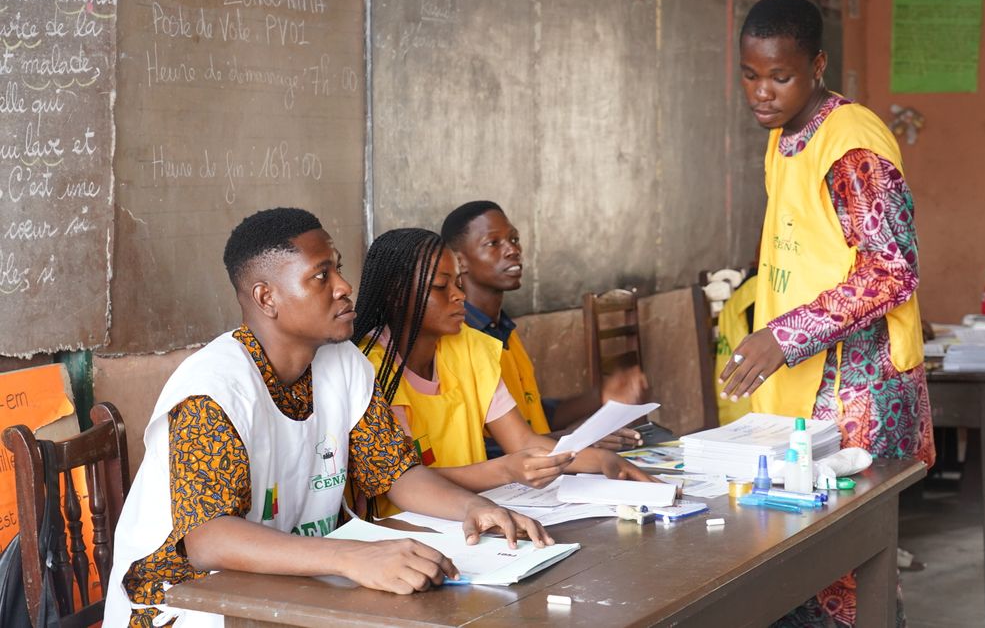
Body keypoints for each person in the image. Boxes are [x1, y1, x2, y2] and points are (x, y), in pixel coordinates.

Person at [104, 209, 551, 628]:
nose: (343, 286)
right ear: (267, 297)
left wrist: (476, 508)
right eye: (321, 276)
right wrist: (349, 557)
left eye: (337, 268)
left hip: (284, 589)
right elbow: (208, 540)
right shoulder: (214, 388)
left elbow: (394, 474)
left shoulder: (344, 363)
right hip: (184, 603)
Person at [719, 0, 935, 627]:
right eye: (750, 75)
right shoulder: (786, 135)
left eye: (780, 77)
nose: (763, 92)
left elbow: (892, 269)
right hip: (805, 386)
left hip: (859, 390)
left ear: (817, 66)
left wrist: (784, 336)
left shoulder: (852, 147)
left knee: (848, 577)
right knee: (796, 570)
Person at [352, 228, 655, 515]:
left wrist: (601, 460)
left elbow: (522, 442)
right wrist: (505, 470)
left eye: (458, 283)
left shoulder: (470, 346)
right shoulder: (370, 368)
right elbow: (407, 481)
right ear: (397, 295)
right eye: (441, 287)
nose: (459, 296)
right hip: (406, 524)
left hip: (480, 510)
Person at [440, 201, 648, 451]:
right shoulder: (458, 339)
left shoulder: (504, 330)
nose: (512, 250)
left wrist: (600, 396)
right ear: (459, 262)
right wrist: (574, 440)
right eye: (493, 243)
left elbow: (533, 415)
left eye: (514, 239)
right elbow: (479, 449)